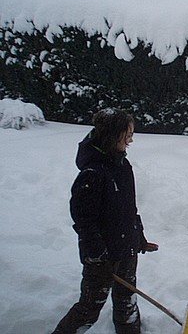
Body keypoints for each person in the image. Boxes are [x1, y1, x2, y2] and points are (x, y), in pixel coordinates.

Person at [52, 108, 158, 334]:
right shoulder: (92, 173)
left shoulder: (123, 165)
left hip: (126, 250)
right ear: (112, 135)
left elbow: (129, 209)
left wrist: (138, 238)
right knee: (89, 308)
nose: (131, 139)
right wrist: (98, 254)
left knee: (127, 301)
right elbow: (83, 220)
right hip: (102, 257)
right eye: (127, 134)